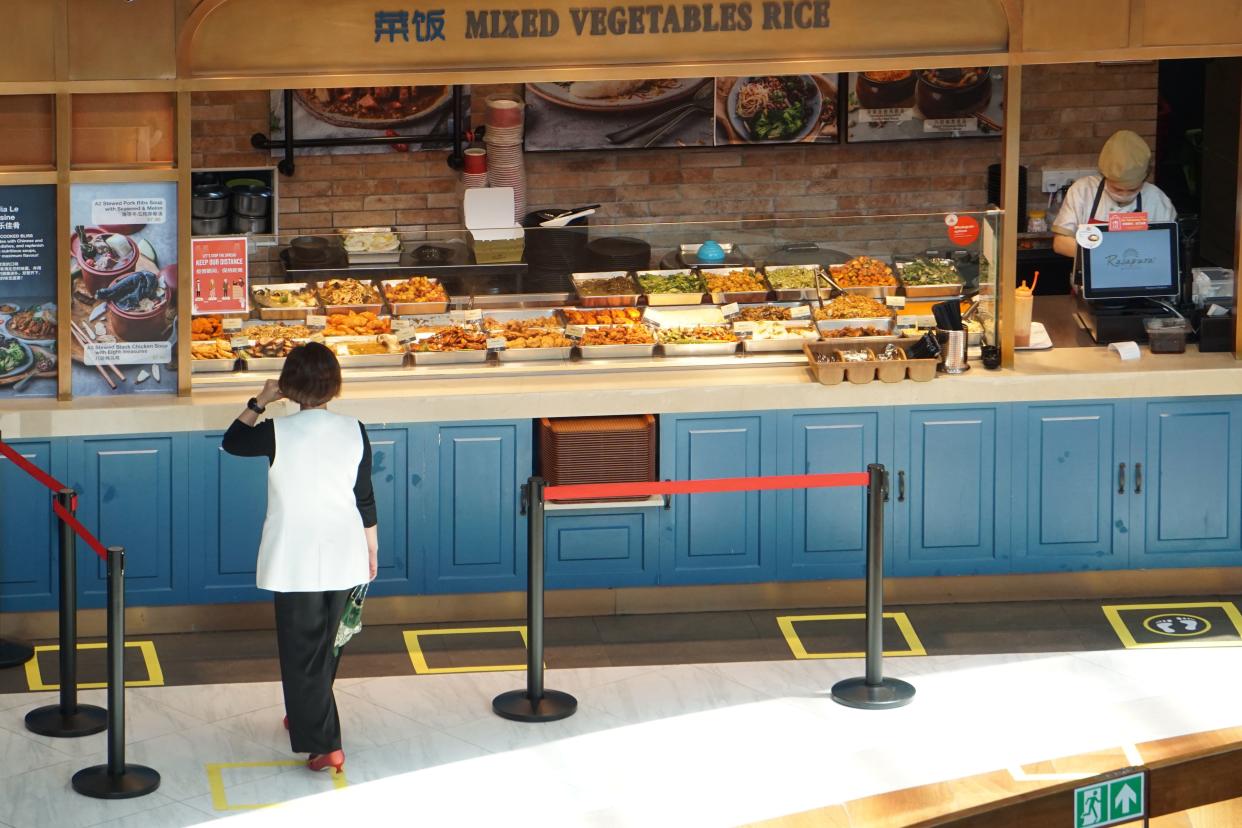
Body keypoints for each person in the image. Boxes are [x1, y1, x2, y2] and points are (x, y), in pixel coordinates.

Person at [222, 342, 378, 775]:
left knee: (301, 650)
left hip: (296, 554)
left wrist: (260, 400)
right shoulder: (355, 429)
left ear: (290, 386)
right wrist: (372, 546)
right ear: (335, 386)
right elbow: (363, 495)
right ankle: (308, 715)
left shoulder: (277, 433)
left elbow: (232, 441)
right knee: (327, 646)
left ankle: (326, 744)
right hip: (345, 546)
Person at [1052, 129, 1178, 259]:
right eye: (1117, 189)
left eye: (1132, 189)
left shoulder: (1156, 199)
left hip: (1140, 276)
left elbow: (1167, 248)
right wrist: (1105, 256)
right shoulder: (1083, 191)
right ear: (1105, 176)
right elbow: (1060, 242)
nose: (1124, 194)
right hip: (1092, 276)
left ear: (1144, 179)